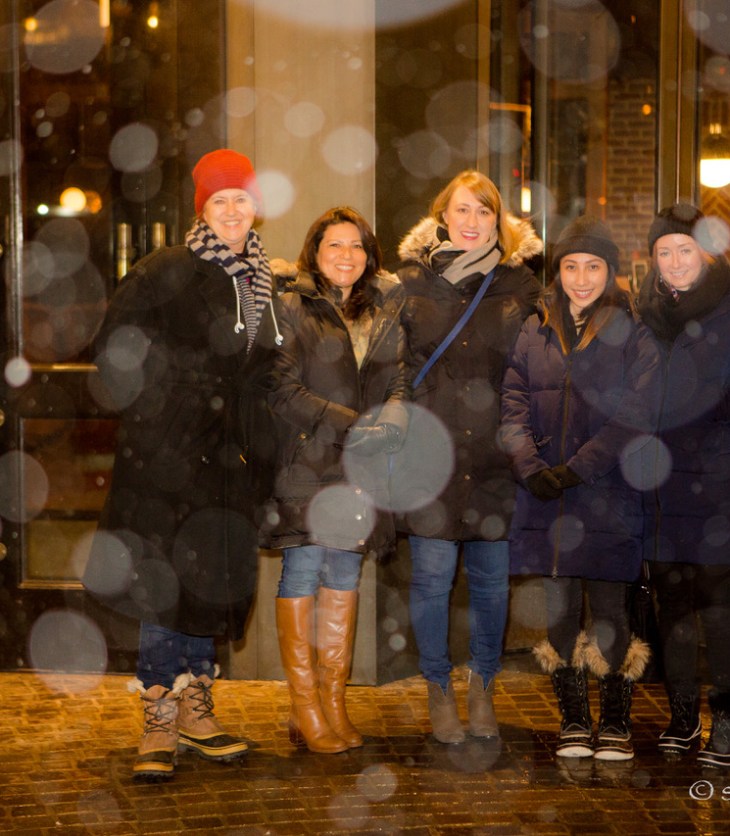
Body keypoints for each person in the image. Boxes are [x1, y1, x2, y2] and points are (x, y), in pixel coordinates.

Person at [83, 149, 280, 781]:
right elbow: (115, 354)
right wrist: (163, 410)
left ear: (256, 208)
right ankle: (160, 711)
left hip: (224, 461)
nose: (230, 211)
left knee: (208, 578)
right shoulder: (164, 269)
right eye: (218, 200)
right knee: (162, 581)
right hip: (166, 459)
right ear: (202, 208)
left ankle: (197, 707)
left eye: (240, 199)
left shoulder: (261, 280)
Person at [500, 216, 660, 761]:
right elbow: (513, 403)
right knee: (560, 605)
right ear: (558, 271)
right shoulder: (535, 325)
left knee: (612, 606)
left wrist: (579, 468)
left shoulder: (633, 331)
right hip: (547, 492)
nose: (581, 278)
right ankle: (573, 718)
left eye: (593, 266)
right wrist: (530, 464)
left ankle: (614, 722)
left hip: (609, 491)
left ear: (610, 272)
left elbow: (638, 412)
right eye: (571, 266)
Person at [396, 170, 542, 744]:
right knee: (431, 580)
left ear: (498, 221)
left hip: (495, 458)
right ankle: (437, 687)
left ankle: (483, 684)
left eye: (484, 212)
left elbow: (536, 370)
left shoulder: (519, 285)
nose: (472, 222)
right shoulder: (408, 283)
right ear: (442, 216)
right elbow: (396, 365)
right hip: (430, 455)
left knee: (489, 584)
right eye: (462, 210)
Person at [263, 206, 407, 754]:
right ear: (314, 254)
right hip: (307, 462)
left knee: (344, 574)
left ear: (369, 257)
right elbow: (281, 390)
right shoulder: (293, 306)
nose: (346, 256)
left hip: (361, 469)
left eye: (356, 247)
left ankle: (332, 702)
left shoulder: (385, 312)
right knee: (302, 570)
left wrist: (395, 409)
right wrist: (355, 424)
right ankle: (304, 706)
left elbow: (399, 374)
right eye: (334, 246)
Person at [637, 203, 730, 768]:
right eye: (663, 252)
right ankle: (680, 714)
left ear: (706, 252)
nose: (674, 262)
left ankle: (725, 718)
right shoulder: (645, 313)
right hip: (661, 483)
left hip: (719, 481)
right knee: (670, 604)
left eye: (684, 250)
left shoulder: (726, 307)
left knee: (719, 605)